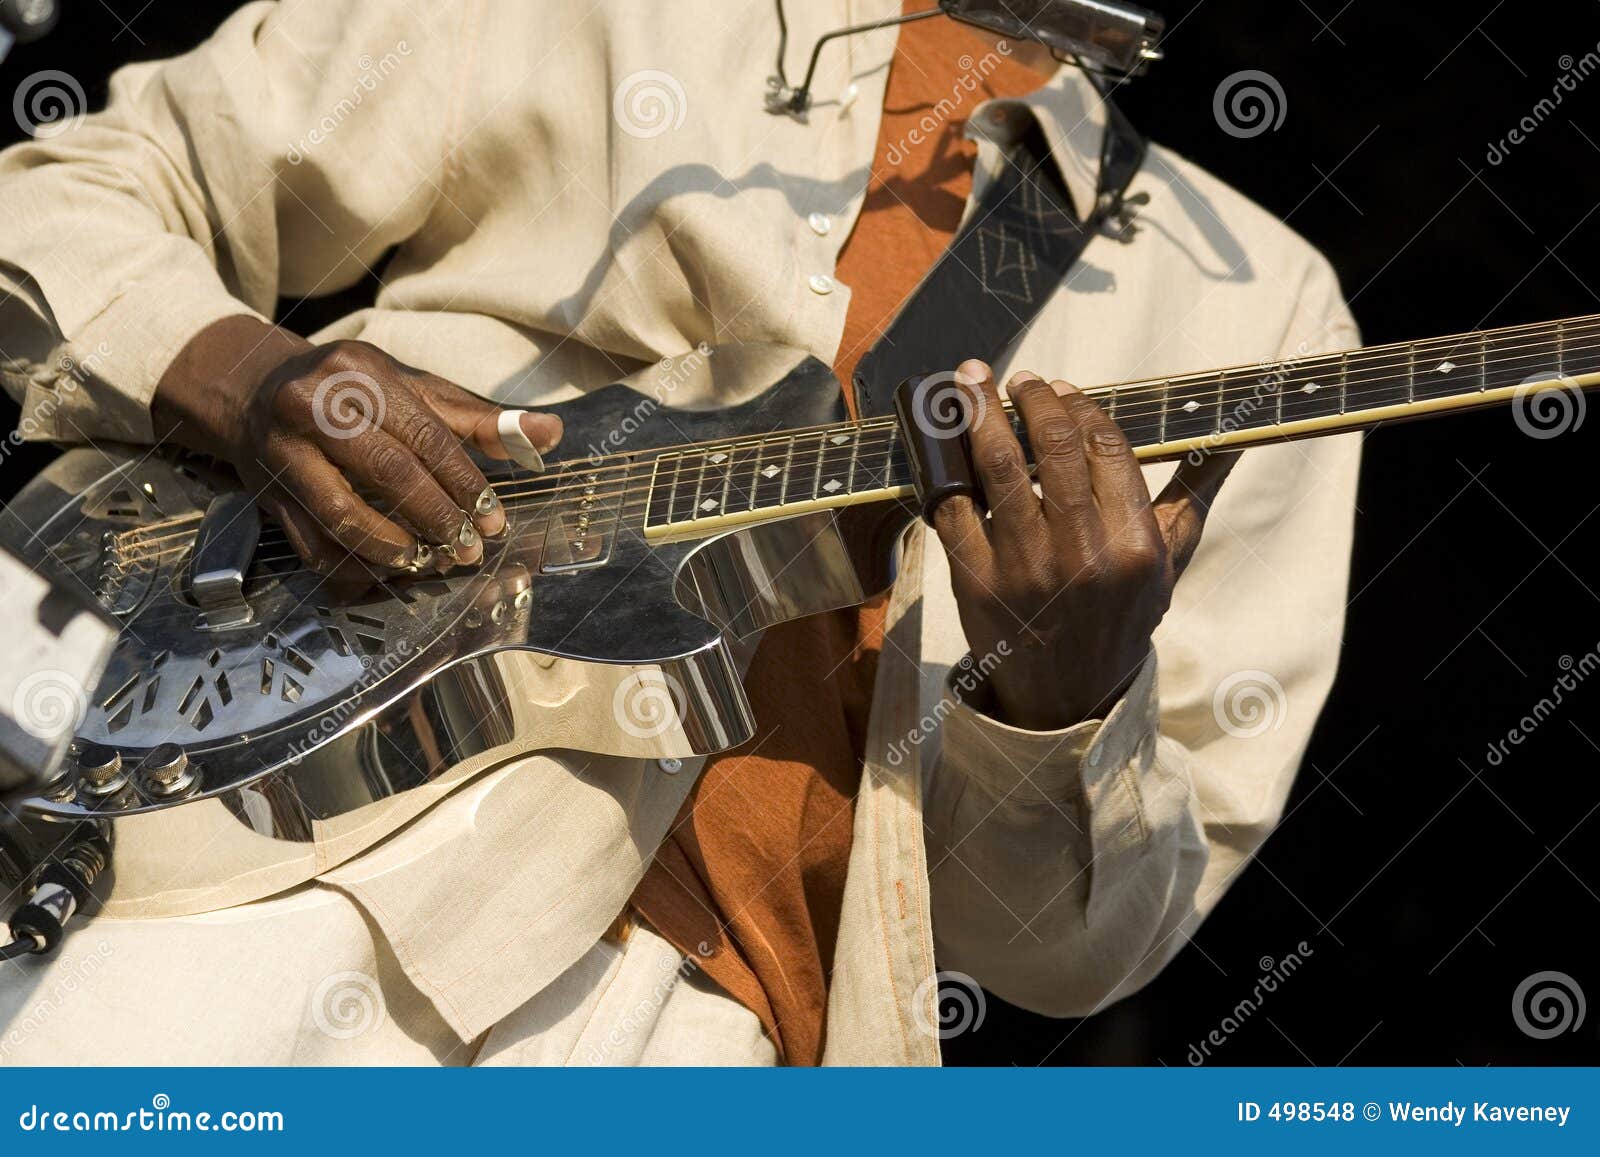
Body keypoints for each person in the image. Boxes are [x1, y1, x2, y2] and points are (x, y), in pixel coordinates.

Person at [0, 0, 1359, 1065]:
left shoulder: (1263, 309)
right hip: (288, 866)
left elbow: (1066, 952)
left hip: (712, 1030)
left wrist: (1061, 706)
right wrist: (252, 380)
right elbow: (63, 192)